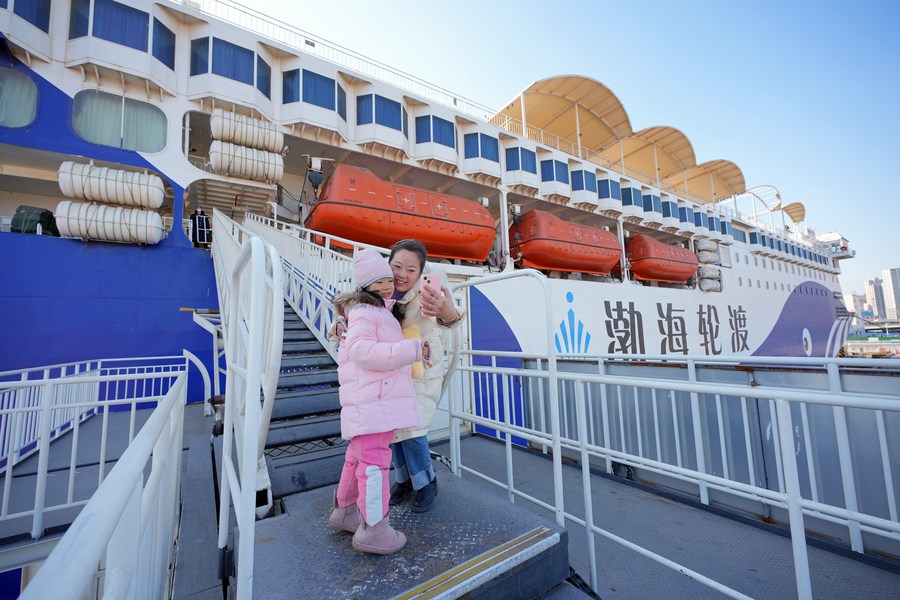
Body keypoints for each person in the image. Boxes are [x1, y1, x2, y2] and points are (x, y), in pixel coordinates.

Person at [327, 247, 430, 554]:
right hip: (374, 403)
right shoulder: (368, 312)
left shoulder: (369, 311)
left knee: (358, 458)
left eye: (389, 279)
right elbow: (363, 352)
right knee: (374, 466)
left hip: (370, 402)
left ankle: (345, 512)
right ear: (364, 286)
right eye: (380, 281)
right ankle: (375, 530)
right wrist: (411, 349)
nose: (388, 285)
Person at [386, 239, 465, 513]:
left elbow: (449, 319)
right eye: (397, 266)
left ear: (420, 273)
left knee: (413, 430)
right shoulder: (381, 291)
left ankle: (426, 482)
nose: (402, 274)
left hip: (422, 372)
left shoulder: (426, 295)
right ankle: (403, 479)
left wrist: (448, 312)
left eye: (411, 269)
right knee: (393, 429)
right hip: (392, 371)